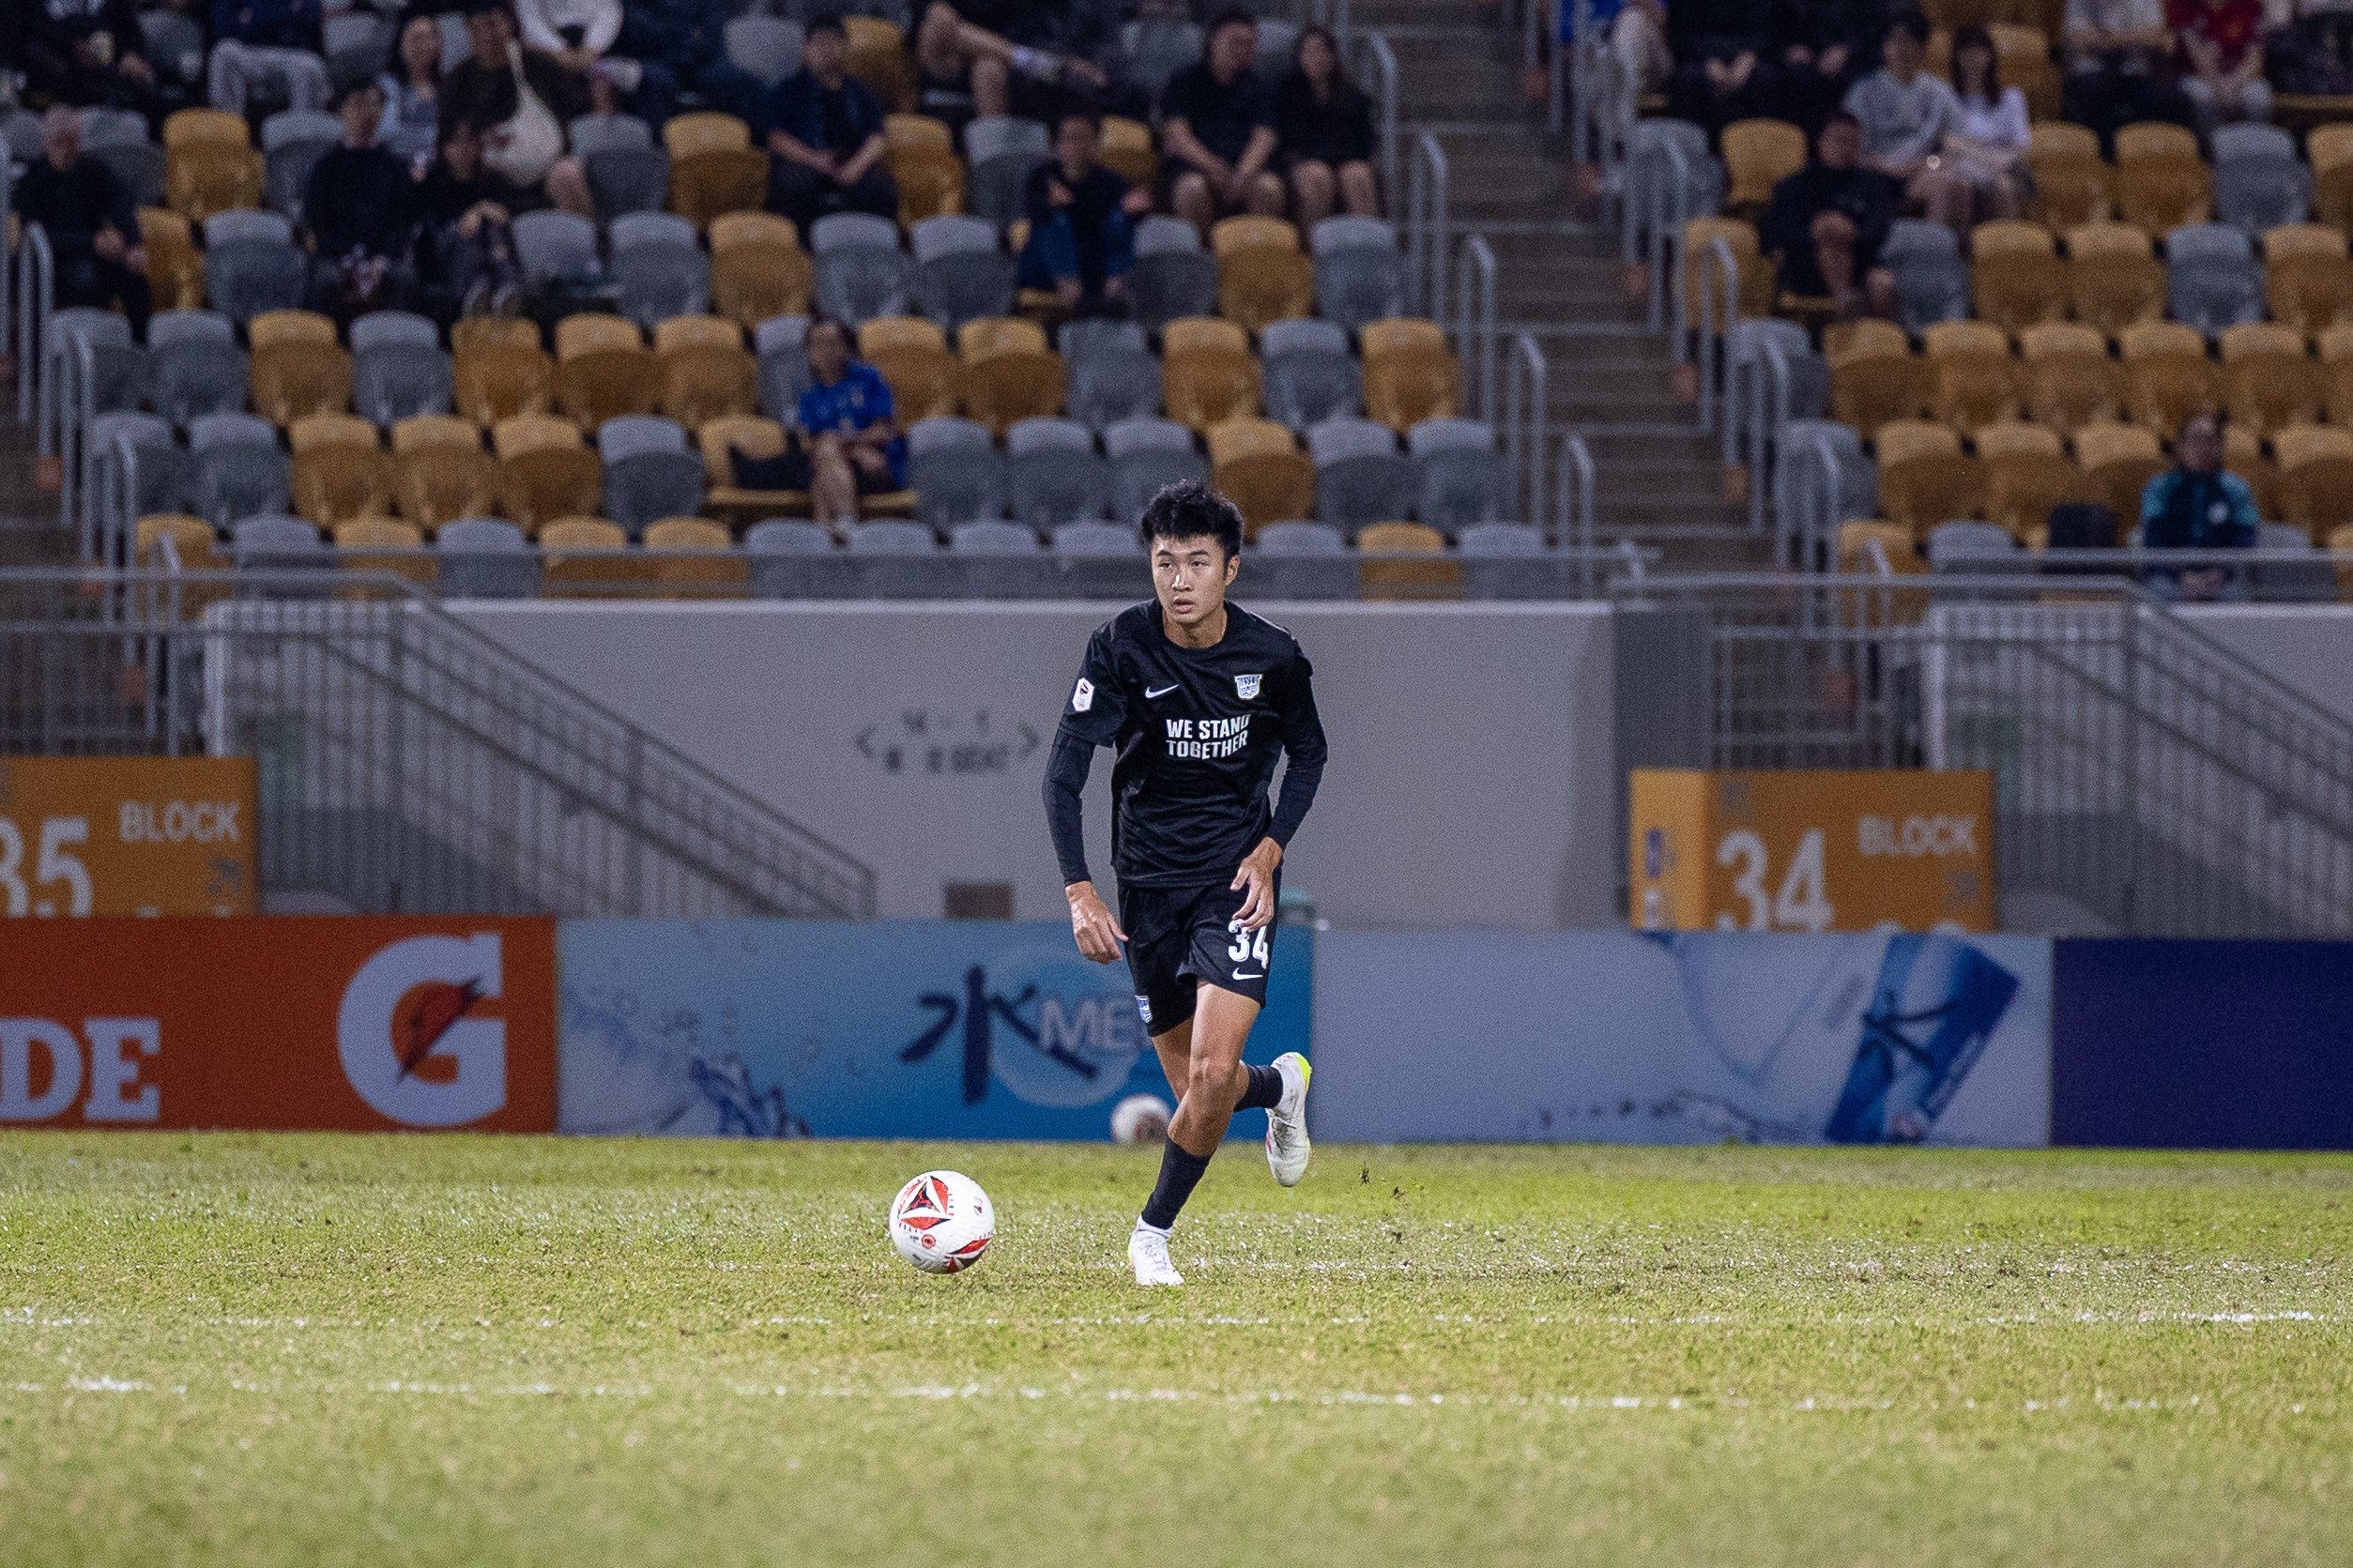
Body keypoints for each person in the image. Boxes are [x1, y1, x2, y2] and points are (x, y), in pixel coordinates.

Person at [1044, 480, 1328, 1289]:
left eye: (1196, 562)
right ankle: (1280, 1085)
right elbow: (1062, 776)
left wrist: (1271, 848)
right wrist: (1079, 891)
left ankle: (1150, 1236)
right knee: (1195, 1094)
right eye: (1164, 561)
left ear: (1229, 570)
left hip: (1235, 882)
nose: (1177, 579)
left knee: (1205, 1078)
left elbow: (1308, 754)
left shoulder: (1272, 656)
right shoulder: (1119, 647)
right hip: (1145, 888)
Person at [441, 0, 594, 219]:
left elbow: (578, 107)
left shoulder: (537, 63)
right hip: (489, 177)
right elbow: (449, 139)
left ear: (509, 25)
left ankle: (578, 245)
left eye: (493, 24)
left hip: (546, 168)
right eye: (477, 26)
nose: (486, 33)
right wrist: (478, 143)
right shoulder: (457, 81)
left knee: (567, 175)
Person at [759, 15, 898, 240]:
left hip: (850, 161)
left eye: (834, 42)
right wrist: (815, 160)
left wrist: (857, 166)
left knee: (882, 189)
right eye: (819, 43)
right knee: (792, 184)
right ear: (806, 49)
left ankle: (870, 245)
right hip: (805, 160)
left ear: (845, 47)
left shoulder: (861, 93)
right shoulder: (787, 90)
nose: (826, 50)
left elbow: (877, 137)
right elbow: (777, 138)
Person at [14, 108, 151, 334]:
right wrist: (91, 242)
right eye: (59, 143)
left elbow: (120, 205)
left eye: (72, 143)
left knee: (135, 280)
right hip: (52, 260)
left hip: (94, 252)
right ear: (45, 143)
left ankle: (138, 346)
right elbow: (35, 234)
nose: (66, 150)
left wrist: (132, 242)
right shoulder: (32, 181)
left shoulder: (94, 171)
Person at [1761, 111, 1901, 318]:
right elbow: (1776, 234)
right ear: (1821, 142)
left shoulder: (1872, 184)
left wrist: (1849, 233)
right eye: (1839, 140)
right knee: (1829, 233)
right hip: (1807, 266)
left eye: (1853, 142)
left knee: (1883, 283)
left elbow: (1878, 229)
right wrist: (1816, 233)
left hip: (1860, 261)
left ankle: (1880, 341)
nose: (1845, 148)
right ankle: (1847, 305)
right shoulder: (1794, 185)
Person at [1844, 13, 1971, 237]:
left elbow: (1956, 150)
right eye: (1894, 40)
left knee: (1957, 184)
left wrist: (1928, 163)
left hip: (1919, 172)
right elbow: (1851, 148)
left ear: (1922, 47)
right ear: (1884, 45)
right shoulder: (1863, 92)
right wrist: (1886, 166)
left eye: (1909, 40)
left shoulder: (1940, 93)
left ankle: (1948, 261)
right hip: (1874, 174)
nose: (1901, 48)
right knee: (1943, 184)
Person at [1162, 8, 1285, 232]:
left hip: (1246, 166)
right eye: (1234, 42)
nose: (1242, 50)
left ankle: (1254, 255)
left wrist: (1242, 174)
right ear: (1212, 40)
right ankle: (1198, 260)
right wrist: (1212, 166)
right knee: (1192, 188)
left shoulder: (1260, 86)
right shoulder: (1184, 81)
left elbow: (1264, 136)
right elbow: (1178, 133)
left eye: (1249, 44)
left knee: (1268, 188)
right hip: (1197, 165)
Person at [305, 82, 419, 321]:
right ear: (342, 111)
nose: (365, 111)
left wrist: (380, 260)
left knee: (404, 278)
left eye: (372, 104)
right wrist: (348, 261)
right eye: (357, 104)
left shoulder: (395, 167)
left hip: (382, 257)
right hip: (337, 256)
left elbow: (402, 222)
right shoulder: (325, 168)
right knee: (326, 279)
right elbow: (318, 222)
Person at [910, 0, 1108, 133]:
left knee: (988, 69)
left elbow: (1022, 22)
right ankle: (1031, 61)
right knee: (936, 25)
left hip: (998, 58)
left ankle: (993, 173)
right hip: (944, 57)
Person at [1019, 110, 1149, 308]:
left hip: (1091, 260)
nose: (1076, 146)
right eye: (1069, 139)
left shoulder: (1109, 180)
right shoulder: (1042, 177)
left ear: (1097, 143)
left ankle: (1113, 296)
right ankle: (1074, 297)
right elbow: (1036, 215)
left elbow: (1127, 212)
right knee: (1057, 223)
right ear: (1056, 143)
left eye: (1084, 139)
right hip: (1044, 266)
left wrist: (1135, 211)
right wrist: (1052, 205)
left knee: (1119, 221)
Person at [411, 119, 530, 317]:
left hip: (488, 254)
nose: (463, 149)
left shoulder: (492, 179)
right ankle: (489, 287)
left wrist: (479, 209)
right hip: (447, 257)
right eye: (456, 143)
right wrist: (471, 219)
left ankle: (499, 289)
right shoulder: (433, 182)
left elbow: (504, 215)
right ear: (444, 148)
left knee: (491, 226)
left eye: (469, 142)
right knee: (473, 232)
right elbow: (432, 231)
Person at [2139, 409, 2259, 601]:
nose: (2202, 448)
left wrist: (2220, 573)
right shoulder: (2159, 488)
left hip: (2221, 579)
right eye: (2195, 440)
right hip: (2173, 577)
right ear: (2180, 447)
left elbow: (2244, 541)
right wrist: (2181, 576)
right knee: (2160, 590)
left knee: (2235, 593)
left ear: (2220, 446)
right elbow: (2154, 542)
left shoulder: (2237, 489)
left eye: (2210, 440)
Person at [798, 316, 907, 524]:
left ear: (845, 346)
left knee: (825, 460)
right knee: (823, 463)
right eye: (817, 344)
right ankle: (845, 529)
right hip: (846, 462)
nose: (825, 350)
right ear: (809, 352)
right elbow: (812, 443)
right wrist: (855, 451)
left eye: (832, 342)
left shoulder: (869, 379)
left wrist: (848, 444)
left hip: (879, 466)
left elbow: (883, 432)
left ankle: (835, 536)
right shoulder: (810, 396)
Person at [1276, 24, 1379, 226]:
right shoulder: (1286, 92)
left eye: (1322, 51)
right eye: (1310, 51)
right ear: (1300, 56)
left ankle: (1365, 246)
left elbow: (1363, 139)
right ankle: (1312, 247)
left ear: (1332, 56)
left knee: (1358, 175)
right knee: (1318, 176)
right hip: (1303, 160)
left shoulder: (1351, 95)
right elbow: (1289, 139)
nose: (1316, 57)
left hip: (1345, 158)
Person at [514, 0, 676, 126]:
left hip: (596, 47)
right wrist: (559, 51)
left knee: (612, 80)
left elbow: (608, 11)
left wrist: (592, 47)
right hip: (547, 49)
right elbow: (530, 19)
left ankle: (606, 142)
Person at [2062, 0, 2193, 151]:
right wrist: (2130, 37)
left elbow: (2155, 36)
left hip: (2137, 71)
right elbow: (2076, 36)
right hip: (2094, 72)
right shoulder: (2080, 2)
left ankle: (2157, 154)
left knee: (2168, 98)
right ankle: (2100, 158)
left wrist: (2111, 40)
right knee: (2093, 93)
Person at [616, 0, 766, 126]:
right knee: (650, 80)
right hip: (659, 60)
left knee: (743, 83)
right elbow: (640, 33)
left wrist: (679, 40)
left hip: (702, 59)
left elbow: (712, 33)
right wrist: (687, 34)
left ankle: (743, 147)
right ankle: (662, 150)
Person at [11, 0, 162, 116]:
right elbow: (25, 40)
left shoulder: (112, 4)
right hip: (53, 86)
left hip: (109, 80)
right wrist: (73, 47)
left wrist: (129, 54)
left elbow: (132, 36)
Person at [1943, 24, 2031, 222]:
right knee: (1957, 184)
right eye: (1966, 51)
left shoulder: (2011, 98)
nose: (1972, 57)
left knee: (2003, 187)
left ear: (1990, 55)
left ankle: (2007, 248)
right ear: (1956, 57)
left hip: (2003, 167)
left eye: (1979, 50)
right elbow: (1948, 144)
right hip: (1961, 167)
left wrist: (1983, 156)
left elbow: (2021, 148)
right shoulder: (1946, 97)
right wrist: (1982, 157)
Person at [1665, 0, 1780, 138]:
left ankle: (1757, 152)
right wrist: (1707, 60)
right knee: (1689, 79)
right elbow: (1679, 35)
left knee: (1765, 77)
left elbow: (1765, 30)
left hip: (1746, 55)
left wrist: (1748, 57)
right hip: (1698, 56)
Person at [1766, 0, 1882, 132]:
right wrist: (1788, 50)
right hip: (1803, 59)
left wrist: (1847, 49)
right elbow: (1772, 28)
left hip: (1855, 55)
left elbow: (1874, 26)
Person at [207, 0, 333, 116]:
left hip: (290, 54)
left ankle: (303, 134)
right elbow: (222, 28)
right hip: (249, 52)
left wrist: (255, 16)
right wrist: (286, 12)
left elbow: (310, 16)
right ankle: (229, 130)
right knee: (223, 52)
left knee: (309, 67)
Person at [2172, 0, 2272, 129]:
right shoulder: (2185, 5)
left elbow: (2255, 59)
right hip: (2195, 75)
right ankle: (2210, 146)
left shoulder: (2250, 5)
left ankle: (2256, 146)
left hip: (2240, 76)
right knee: (2203, 96)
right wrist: (2219, 85)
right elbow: (2197, 56)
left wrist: (2234, 83)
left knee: (2258, 97)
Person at [378, 12, 447, 170]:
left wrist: (423, 160)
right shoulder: (387, 86)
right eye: (417, 38)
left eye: (431, 38)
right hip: (395, 167)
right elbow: (387, 134)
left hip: (437, 168)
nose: (424, 45)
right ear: (401, 45)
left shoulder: (449, 87)